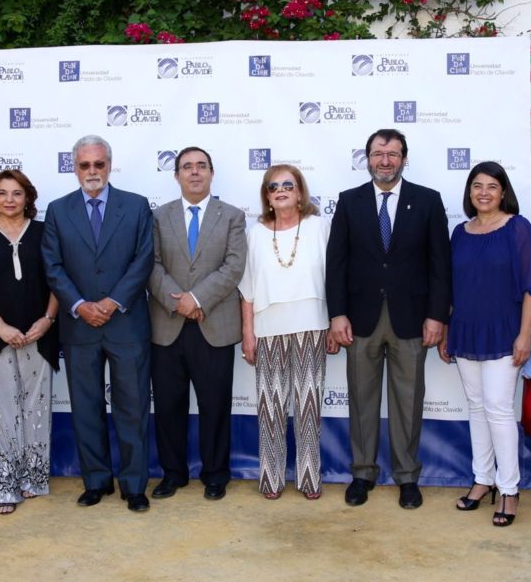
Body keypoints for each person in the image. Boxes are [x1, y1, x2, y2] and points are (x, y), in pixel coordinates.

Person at [326, 128, 451, 510]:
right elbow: (336, 264)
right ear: (367, 158)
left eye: (393, 154)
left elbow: (440, 266)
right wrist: (337, 314)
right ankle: (362, 473)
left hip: (412, 319)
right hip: (359, 319)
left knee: (408, 401)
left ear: (404, 159)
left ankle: (407, 477)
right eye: (378, 153)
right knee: (361, 401)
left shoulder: (427, 201)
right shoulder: (349, 201)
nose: (385, 160)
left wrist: (436, 316)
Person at [42, 134, 155, 513]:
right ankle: (96, 480)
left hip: (125, 323)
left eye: (99, 164)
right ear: (74, 168)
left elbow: (143, 261)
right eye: (84, 165)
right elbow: (52, 266)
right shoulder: (58, 210)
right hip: (79, 326)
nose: (92, 172)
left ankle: (134, 484)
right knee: (86, 406)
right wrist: (77, 305)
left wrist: (110, 302)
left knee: (133, 406)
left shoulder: (136, 206)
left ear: (110, 164)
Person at [439, 161, 531, 527]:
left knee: (499, 409)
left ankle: (509, 489)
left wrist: (525, 333)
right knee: (477, 408)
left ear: (503, 192)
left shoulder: (518, 228)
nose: (484, 192)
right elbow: (453, 289)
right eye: (477, 186)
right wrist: (449, 330)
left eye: (492, 186)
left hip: (504, 332)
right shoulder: (459, 232)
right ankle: (482, 481)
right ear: (469, 192)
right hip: (466, 330)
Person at [148, 146, 246, 501]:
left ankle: (216, 474)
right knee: (169, 406)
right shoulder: (158, 217)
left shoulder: (232, 216)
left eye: (201, 166)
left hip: (214, 325)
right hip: (167, 325)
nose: (194, 172)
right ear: (176, 176)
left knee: (215, 405)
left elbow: (234, 266)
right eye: (186, 167)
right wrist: (181, 301)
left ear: (211, 173)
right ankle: (173, 474)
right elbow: (152, 265)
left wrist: (198, 299)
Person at [0, 170, 59, 514]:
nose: (9, 199)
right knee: (0, 413)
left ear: (27, 198)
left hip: (39, 335)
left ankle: (32, 478)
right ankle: (3, 486)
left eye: (16, 193)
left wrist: (46, 321)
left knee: (35, 409)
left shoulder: (45, 234)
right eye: (2, 193)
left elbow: (57, 282)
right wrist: (1, 327)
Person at [240, 164, 336, 500]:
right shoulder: (254, 234)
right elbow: (247, 290)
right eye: (273, 186)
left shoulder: (319, 227)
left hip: (311, 325)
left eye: (287, 185)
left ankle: (310, 478)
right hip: (267, 330)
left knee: (309, 406)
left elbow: (335, 278)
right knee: (271, 407)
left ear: (299, 192)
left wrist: (336, 321)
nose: (280, 190)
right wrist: (248, 333)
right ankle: (271, 479)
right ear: (266, 195)